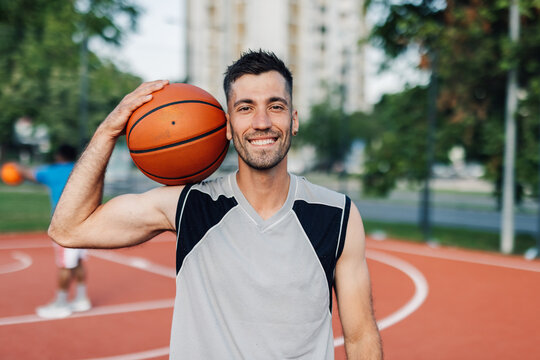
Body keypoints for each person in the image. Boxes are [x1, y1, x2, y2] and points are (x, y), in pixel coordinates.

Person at [49, 50, 382, 358]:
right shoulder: (188, 205)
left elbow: (360, 335)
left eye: (276, 106)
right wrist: (108, 131)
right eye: (245, 108)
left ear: (293, 120)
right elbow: (68, 228)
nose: (262, 122)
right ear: (227, 125)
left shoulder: (337, 216)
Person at [17, 144, 92, 319]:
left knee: (65, 265)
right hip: (84, 220)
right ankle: (82, 299)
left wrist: (15, 167)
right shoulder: (81, 170)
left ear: (59, 156)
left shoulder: (53, 171)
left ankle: (61, 303)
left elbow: (28, 174)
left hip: (65, 224)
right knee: (79, 261)